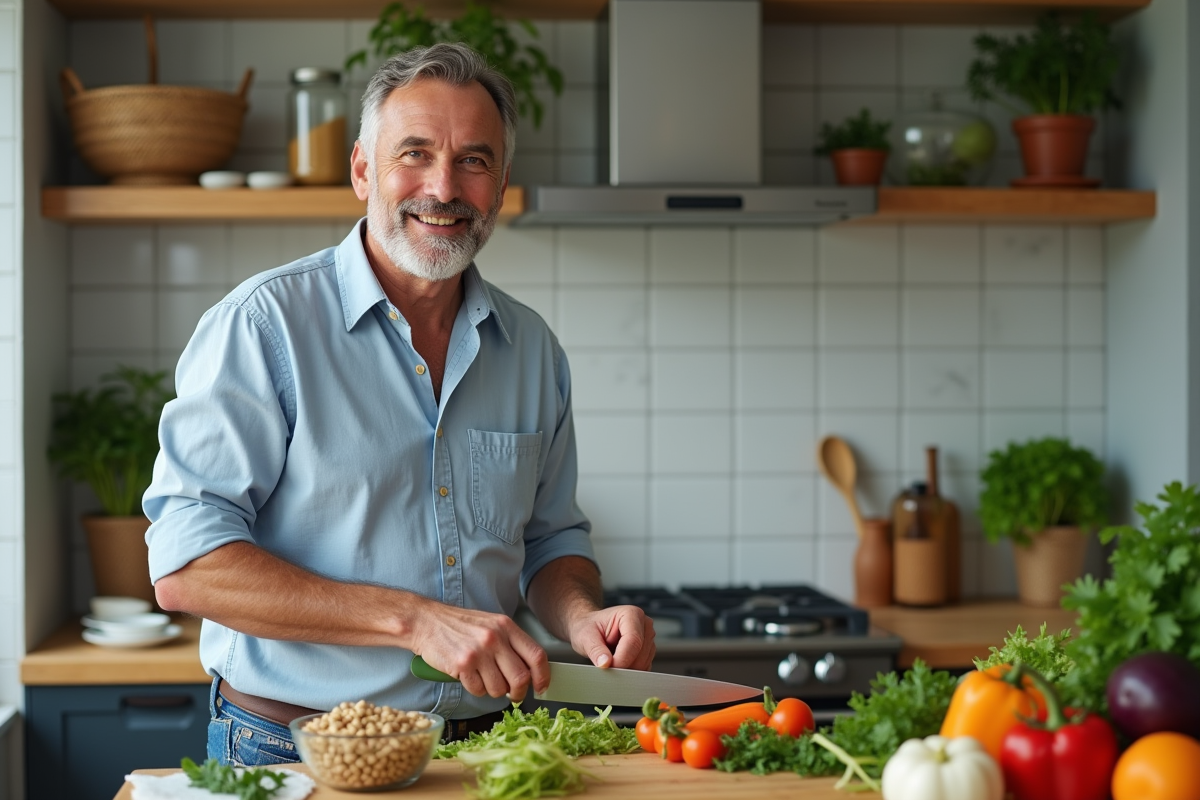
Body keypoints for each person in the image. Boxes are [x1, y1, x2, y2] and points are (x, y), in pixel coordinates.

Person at [143, 42, 655, 767]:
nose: (442, 187)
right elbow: (185, 565)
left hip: (488, 749)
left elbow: (550, 541)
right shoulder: (264, 326)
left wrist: (581, 615)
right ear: (361, 170)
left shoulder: (532, 349)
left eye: (474, 160)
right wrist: (415, 622)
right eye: (414, 153)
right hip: (292, 747)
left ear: (501, 185)